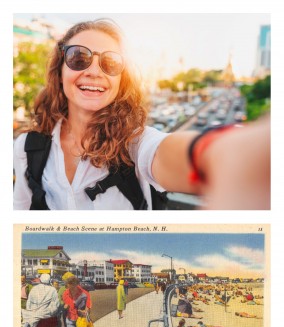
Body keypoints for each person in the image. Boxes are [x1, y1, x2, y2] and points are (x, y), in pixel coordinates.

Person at [13, 18, 270, 211]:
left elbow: (165, 152)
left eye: (110, 62)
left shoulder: (133, 144)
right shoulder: (27, 147)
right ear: (60, 69)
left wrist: (224, 153)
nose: (94, 71)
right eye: (79, 57)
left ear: (121, 80)